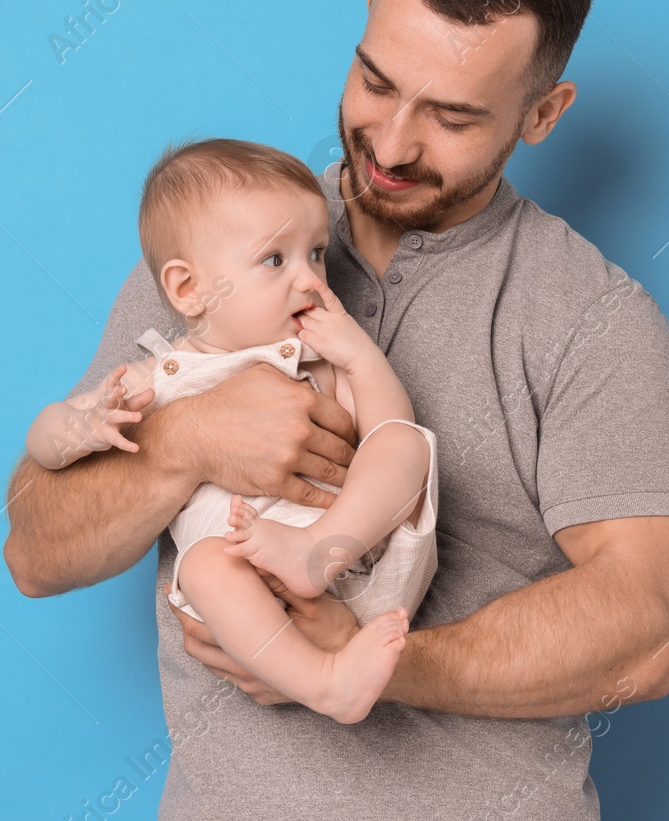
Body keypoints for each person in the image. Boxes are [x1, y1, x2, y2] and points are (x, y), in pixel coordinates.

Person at [3, 0, 669, 821]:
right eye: (375, 80)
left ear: (541, 115)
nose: (392, 139)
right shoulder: (213, 255)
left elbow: (647, 629)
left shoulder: (595, 320)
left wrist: (367, 661)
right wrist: (184, 445)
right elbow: (35, 549)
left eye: (454, 115)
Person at [23, 139, 438, 725]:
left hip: (350, 555)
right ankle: (326, 683)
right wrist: (83, 426)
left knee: (406, 440)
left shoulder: (315, 358)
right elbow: (43, 440)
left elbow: (386, 427)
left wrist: (362, 358)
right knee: (204, 567)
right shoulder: (156, 377)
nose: (311, 281)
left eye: (316, 253)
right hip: (253, 582)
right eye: (276, 260)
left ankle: (312, 557)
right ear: (188, 288)